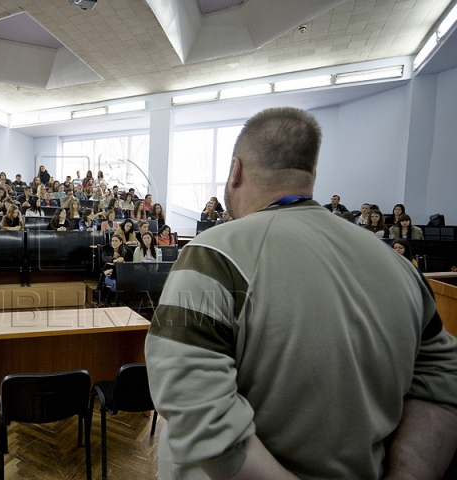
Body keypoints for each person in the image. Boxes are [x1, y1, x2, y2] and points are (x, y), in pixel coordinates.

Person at [145, 107, 457, 480]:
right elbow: (443, 381)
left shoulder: (212, 254)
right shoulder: (401, 266)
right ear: (310, 172)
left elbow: (194, 409)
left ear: (235, 171)